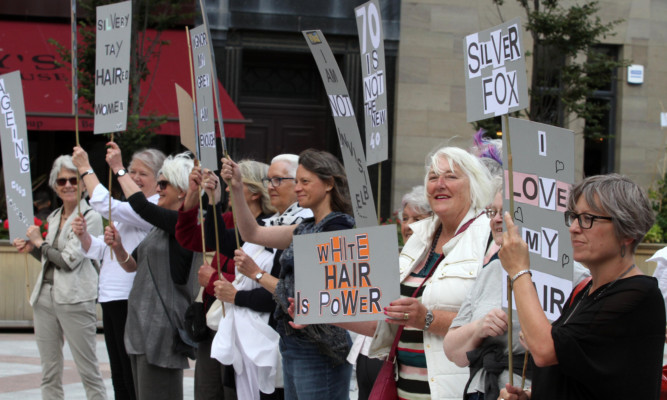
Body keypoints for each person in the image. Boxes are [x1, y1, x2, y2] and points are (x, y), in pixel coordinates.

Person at [339, 146, 493, 400]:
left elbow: (494, 322)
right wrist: (320, 311)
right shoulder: (419, 238)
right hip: (405, 390)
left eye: (451, 176)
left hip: (456, 390)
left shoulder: (489, 238)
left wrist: (427, 318)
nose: (439, 184)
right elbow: (388, 318)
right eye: (433, 177)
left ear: (474, 185)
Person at [498, 174, 665, 400]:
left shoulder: (638, 295)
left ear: (626, 230)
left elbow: (546, 350)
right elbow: (580, 370)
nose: (574, 228)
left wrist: (519, 270)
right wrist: (530, 396)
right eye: (574, 217)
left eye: (588, 218)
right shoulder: (587, 290)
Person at [220, 149, 354, 399]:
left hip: (320, 346)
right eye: (298, 181)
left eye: (305, 181)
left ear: (328, 184)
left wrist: (258, 275)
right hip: (293, 341)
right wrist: (237, 188)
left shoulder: (338, 227)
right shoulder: (307, 227)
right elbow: (252, 233)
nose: (299, 188)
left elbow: (307, 296)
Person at [103, 145, 200, 400]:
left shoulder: (182, 224)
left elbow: (141, 207)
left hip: (161, 330)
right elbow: (132, 265)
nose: (158, 189)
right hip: (139, 328)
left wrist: (118, 168)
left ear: (182, 191)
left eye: (163, 184)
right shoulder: (160, 227)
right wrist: (118, 247)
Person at [71, 145, 165, 400]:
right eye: (131, 171)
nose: (134, 177)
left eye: (142, 173)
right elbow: (103, 249)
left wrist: (85, 168)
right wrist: (84, 237)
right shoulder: (129, 208)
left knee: (130, 370)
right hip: (110, 295)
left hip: (131, 296)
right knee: (118, 372)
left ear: (159, 180)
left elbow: (102, 202)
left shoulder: (153, 207)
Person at [13, 155, 106, 400]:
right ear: (55, 186)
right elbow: (49, 258)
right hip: (44, 297)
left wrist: (38, 242)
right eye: (62, 180)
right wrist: (32, 249)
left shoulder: (90, 217)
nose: (68, 185)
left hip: (75, 298)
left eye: (74, 180)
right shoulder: (53, 217)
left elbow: (68, 261)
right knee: (49, 371)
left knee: (89, 372)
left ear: (84, 185)